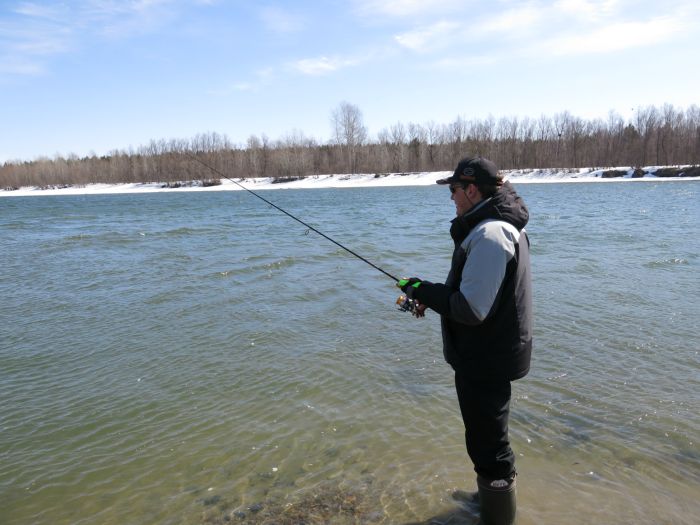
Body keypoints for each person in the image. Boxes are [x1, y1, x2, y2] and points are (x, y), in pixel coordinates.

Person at [399, 157, 532, 525]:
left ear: (472, 189)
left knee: (490, 444)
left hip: (486, 358)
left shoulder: (491, 234)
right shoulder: (490, 228)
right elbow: (474, 295)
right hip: (484, 354)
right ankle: (487, 498)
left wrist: (423, 289)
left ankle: (498, 516)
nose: (451, 197)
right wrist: (431, 295)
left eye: (454, 189)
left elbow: (472, 308)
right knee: (483, 438)